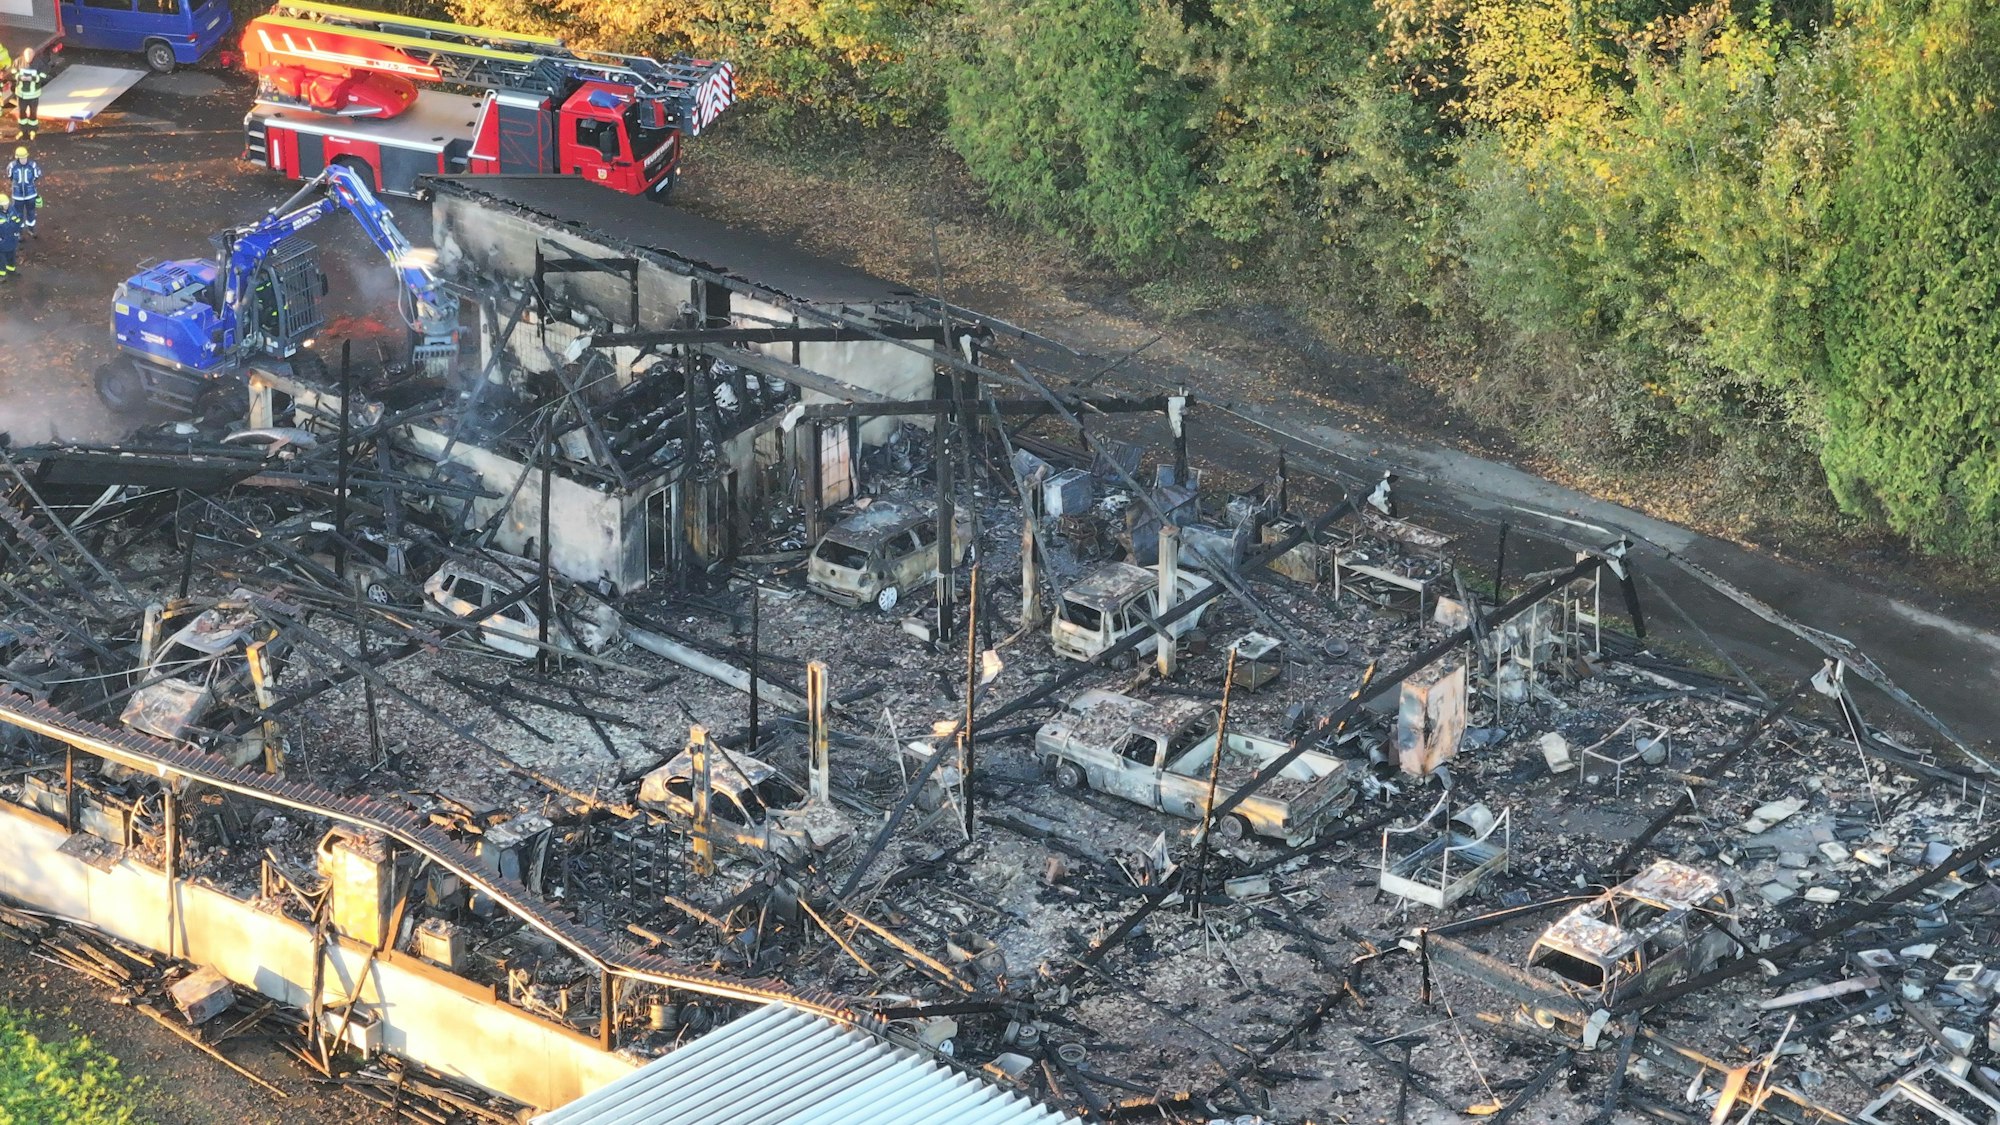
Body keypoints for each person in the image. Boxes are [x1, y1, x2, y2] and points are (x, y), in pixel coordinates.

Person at [13, 48, 44, 142]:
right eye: (27, 57)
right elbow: (13, 71)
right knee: (22, 114)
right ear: (24, 55)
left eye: (30, 57)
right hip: (21, 94)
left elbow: (44, 74)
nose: (28, 59)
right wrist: (19, 77)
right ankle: (23, 131)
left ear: (33, 55)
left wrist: (33, 78)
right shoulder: (18, 61)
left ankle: (33, 131)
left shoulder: (39, 63)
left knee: (33, 115)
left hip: (33, 95)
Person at [6, 146, 39, 234]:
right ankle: (19, 231)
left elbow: (36, 176)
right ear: (17, 158)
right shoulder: (12, 166)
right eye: (22, 158)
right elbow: (10, 176)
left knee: (31, 212)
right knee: (18, 214)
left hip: (30, 194)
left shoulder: (33, 165)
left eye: (25, 157)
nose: (24, 159)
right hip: (17, 196)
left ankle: (31, 229)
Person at [0, 196, 21, 282]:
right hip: (2, 241)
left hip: (12, 239)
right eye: (4, 205)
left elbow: (17, 221)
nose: (6, 206)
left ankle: (11, 270)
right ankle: (2, 275)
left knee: (11, 256)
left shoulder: (12, 210)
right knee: (1, 259)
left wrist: (16, 231)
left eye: (7, 204)